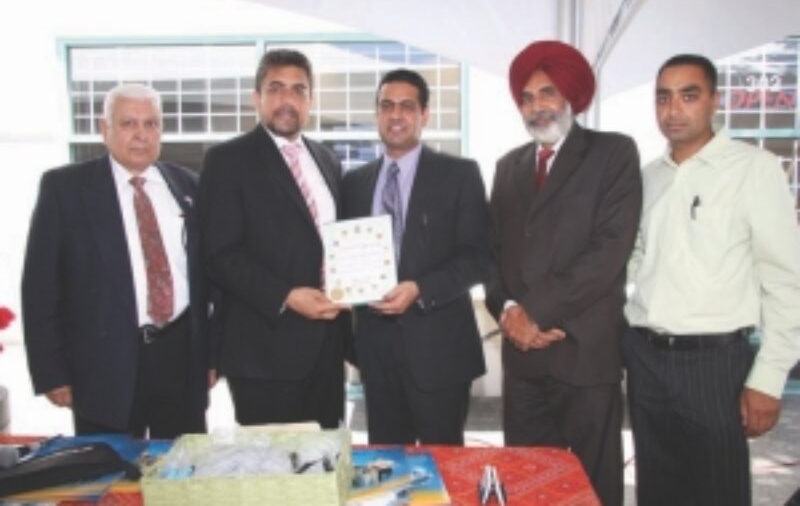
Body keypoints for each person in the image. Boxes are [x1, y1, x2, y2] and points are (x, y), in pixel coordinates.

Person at [624, 54, 800, 506]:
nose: (673, 110)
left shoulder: (753, 170)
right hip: (646, 360)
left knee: (716, 493)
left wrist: (769, 376)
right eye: (663, 97)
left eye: (689, 95)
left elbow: (786, 281)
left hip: (715, 364)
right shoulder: (648, 178)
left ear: (714, 101)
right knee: (657, 492)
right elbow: (634, 263)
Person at [486, 40, 642, 506]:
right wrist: (510, 310)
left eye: (547, 92)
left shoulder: (613, 154)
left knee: (594, 487)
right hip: (523, 360)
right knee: (527, 481)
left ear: (570, 96)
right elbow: (491, 254)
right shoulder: (508, 166)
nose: (537, 106)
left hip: (585, 355)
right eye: (527, 98)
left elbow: (608, 252)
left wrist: (534, 311)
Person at [21, 83, 214, 439]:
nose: (141, 135)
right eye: (128, 124)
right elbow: (40, 287)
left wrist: (212, 356)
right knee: (110, 479)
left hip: (180, 358)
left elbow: (209, 279)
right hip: (102, 363)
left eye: (151, 124)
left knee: (180, 476)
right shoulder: (65, 189)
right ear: (104, 129)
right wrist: (51, 371)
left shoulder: (189, 186)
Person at [197, 49, 349, 428]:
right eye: (276, 88)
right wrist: (286, 296)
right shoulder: (227, 161)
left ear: (310, 101)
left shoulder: (326, 160)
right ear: (257, 98)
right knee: (271, 476)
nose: (288, 99)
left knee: (325, 464)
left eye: (299, 90)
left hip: (327, 351)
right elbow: (220, 255)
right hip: (264, 353)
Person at [341, 68, 489, 445]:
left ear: (425, 114)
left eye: (407, 106)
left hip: (440, 353)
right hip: (376, 355)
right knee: (388, 467)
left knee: (443, 469)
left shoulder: (460, 174)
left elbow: (476, 257)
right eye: (387, 106)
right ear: (376, 114)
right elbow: (346, 257)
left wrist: (419, 289)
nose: (396, 115)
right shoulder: (354, 183)